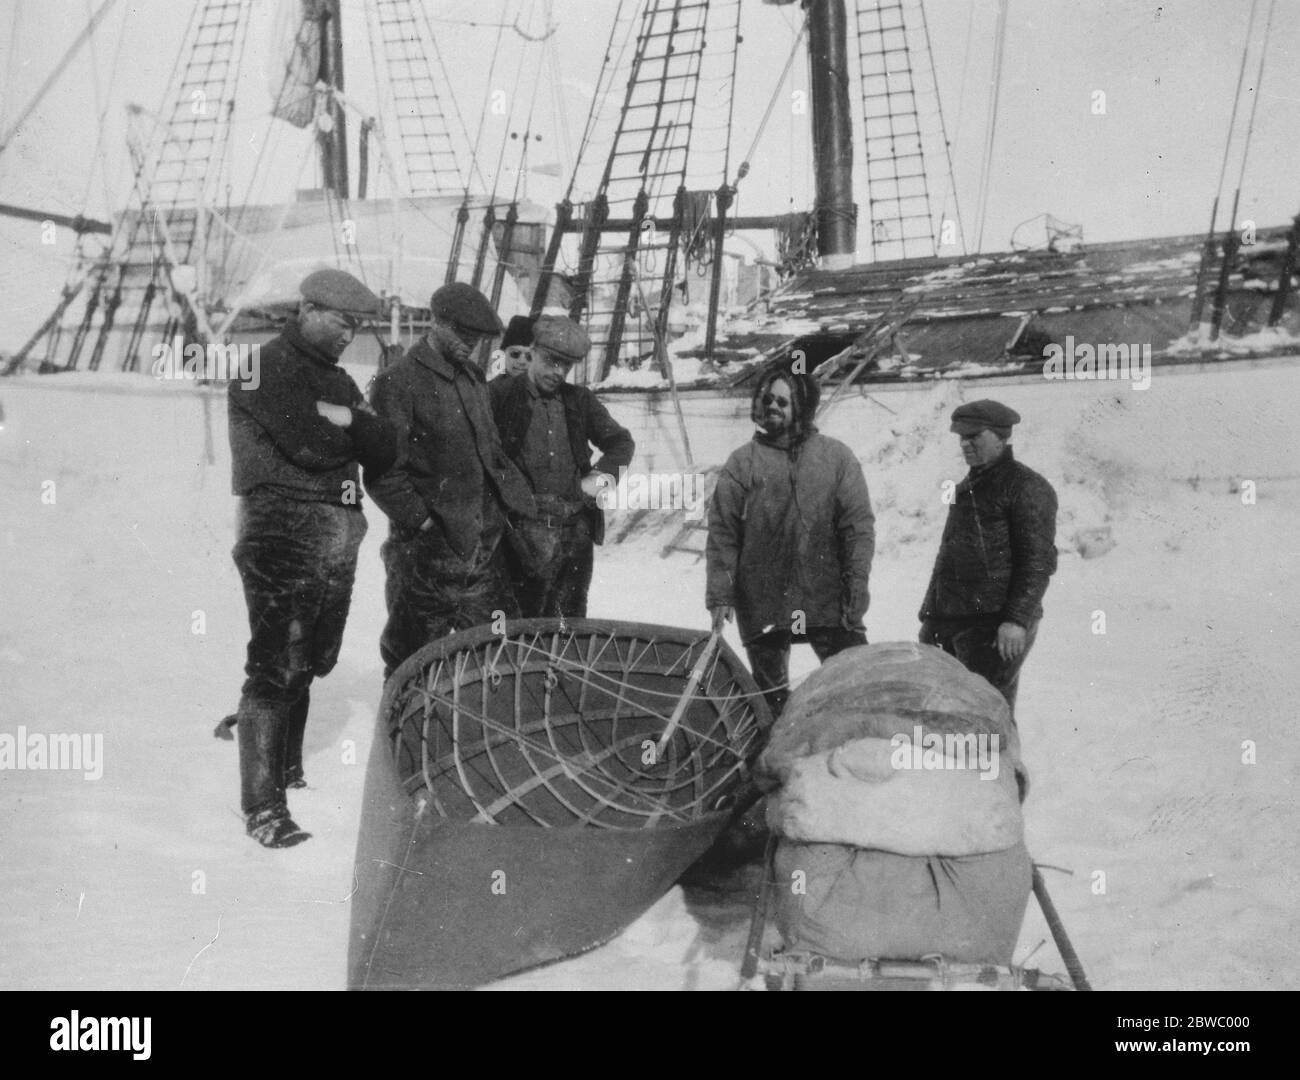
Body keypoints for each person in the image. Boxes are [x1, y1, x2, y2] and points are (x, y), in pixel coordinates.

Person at [226, 268, 397, 848]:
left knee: (313, 655)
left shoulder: (339, 381)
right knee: (275, 664)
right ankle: (262, 807)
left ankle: (287, 767)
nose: (348, 334)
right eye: (340, 321)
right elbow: (308, 445)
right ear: (306, 308)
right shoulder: (264, 366)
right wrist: (353, 425)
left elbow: (384, 449)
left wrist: (348, 421)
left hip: (334, 531)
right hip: (280, 530)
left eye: (355, 326)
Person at [366, 282, 536, 677]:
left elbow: (491, 453)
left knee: (500, 656)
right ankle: (410, 739)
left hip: (481, 550)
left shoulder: (473, 379)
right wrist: (424, 522)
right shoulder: (398, 382)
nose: (469, 344)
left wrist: (513, 504)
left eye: (476, 338)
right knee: (414, 664)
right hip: (425, 556)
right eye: (462, 334)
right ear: (436, 322)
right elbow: (383, 472)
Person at [705, 360, 875, 721]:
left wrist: (857, 584)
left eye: (783, 402)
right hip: (764, 599)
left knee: (854, 688)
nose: (772, 408)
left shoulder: (836, 457)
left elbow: (857, 528)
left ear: (802, 408)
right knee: (771, 703)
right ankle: (776, 769)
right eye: (768, 399)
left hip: (826, 596)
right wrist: (721, 594)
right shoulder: (742, 462)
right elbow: (723, 532)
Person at [918, 399, 1058, 718]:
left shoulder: (1027, 487)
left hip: (996, 624)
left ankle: (1003, 769)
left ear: (1001, 436)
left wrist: (1016, 620)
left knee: (987, 711)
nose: (965, 444)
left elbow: (1038, 562)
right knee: (957, 711)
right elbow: (948, 557)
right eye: (961, 438)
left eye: (974, 436)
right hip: (957, 620)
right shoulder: (967, 487)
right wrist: (931, 615)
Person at [489, 315, 634, 617]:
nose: (558, 372)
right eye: (550, 361)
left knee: (570, 631)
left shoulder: (579, 401)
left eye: (565, 366)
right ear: (532, 352)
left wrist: (592, 487)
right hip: (518, 538)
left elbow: (621, 443)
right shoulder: (498, 397)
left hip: (574, 535)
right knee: (520, 631)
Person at [488, 314, 535, 380]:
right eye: (515, 354)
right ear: (503, 353)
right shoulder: (488, 388)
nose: (522, 361)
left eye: (529, 356)